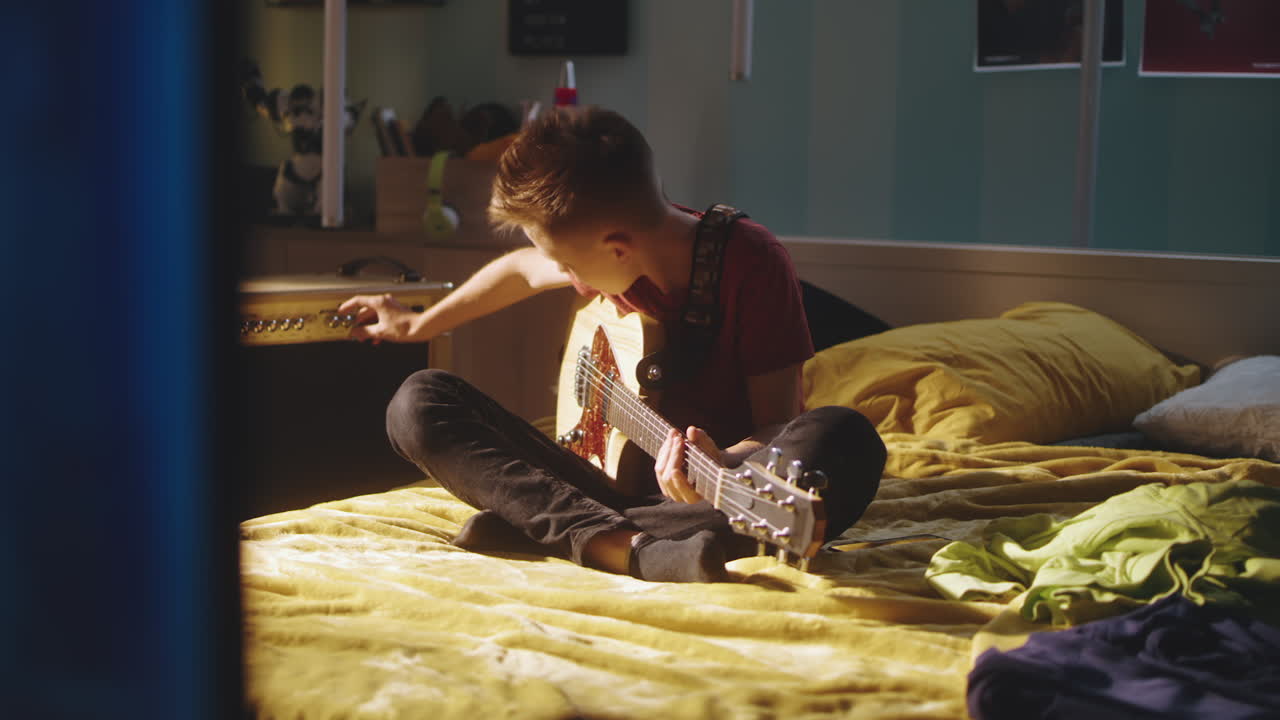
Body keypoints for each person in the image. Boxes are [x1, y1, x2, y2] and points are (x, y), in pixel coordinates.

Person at [338, 106, 885, 583]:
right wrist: (418, 325)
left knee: (844, 439)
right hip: (602, 483)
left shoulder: (752, 264)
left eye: (570, 266)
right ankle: (631, 548)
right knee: (417, 403)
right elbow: (521, 272)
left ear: (617, 248)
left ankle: (548, 525)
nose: (568, 279)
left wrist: (724, 460)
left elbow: (776, 423)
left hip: (712, 489)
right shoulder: (598, 243)